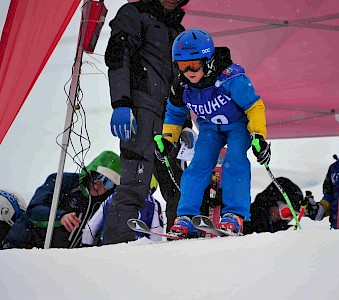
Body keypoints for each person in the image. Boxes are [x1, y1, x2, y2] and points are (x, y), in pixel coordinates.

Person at [155, 28, 271, 236]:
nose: (189, 71)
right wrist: (167, 139)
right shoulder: (181, 86)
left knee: (234, 160)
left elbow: (254, 106)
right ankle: (186, 216)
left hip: (238, 125)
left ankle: (234, 214)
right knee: (198, 165)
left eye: (194, 64)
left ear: (207, 61)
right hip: (209, 127)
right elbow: (174, 114)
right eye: (182, 65)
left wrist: (258, 136)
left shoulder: (231, 78)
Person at [103, 0, 191, 244]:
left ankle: (185, 248)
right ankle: (113, 250)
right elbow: (118, 56)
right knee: (135, 184)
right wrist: (121, 103)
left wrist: (186, 125)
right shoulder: (133, 14)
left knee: (181, 190)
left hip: (171, 119)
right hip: (141, 112)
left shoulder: (178, 32)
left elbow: (183, 83)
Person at [2, 151, 122, 249]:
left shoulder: (104, 206)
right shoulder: (62, 181)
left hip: (56, 262)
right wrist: (61, 216)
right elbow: (33, 211)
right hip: (22, 247)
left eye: (109, 182)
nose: (100, 184)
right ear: (91, 172)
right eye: (98, 177)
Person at [81, 174, 164, 245]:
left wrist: (86, 248)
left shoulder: (111, 198)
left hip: (106, 248)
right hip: (136, 250)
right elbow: (156, 233)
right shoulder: (153, 203)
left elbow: (89, 229)